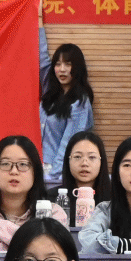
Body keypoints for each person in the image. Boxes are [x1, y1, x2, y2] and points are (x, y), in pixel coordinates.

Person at [39, 36, 95, 176]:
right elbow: (42, 60)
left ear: (77, 68)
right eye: (58, 64)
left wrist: (53, 175)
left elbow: (69, 145)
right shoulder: (50, 90)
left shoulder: (80, 103)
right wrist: (38, 26)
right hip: (38, 165)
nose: (62, 70)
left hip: (55, 171)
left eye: (68, 64)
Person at [55, 131, 107, 230]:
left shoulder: (114, 198)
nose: (84, 163)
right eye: (77, 157)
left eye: (92, 157)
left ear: (101, 161)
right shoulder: (55, 198)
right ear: (68, 160)